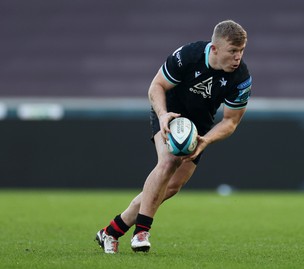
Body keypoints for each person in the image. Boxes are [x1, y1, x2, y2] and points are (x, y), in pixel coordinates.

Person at [95, 19, 252, 254]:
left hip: (198, 128)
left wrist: (206, 139)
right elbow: (156, 86)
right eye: (233, 51)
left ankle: (111, 231)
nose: (238, 57)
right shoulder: (188, 56)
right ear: (216, 48)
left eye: (241, 51)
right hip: (169, 113)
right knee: (169, 161)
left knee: (171, 187)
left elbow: (230, 121)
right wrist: (162, 115)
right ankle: (141, 232)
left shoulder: (240, 78)